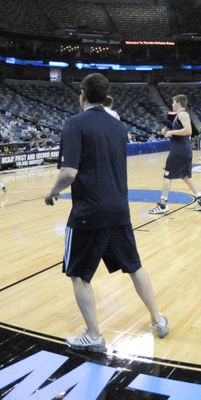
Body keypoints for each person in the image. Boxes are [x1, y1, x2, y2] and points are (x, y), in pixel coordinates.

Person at [44, 73, 170, 352]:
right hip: (119, 209)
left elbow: (69, 172)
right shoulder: (118, 126)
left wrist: (52, 191)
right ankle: (158, 320)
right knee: (134, 266)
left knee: (79, 275)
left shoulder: (75, 123)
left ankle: (93, 335)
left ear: (82, 94)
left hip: (88, 212)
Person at [149, 95, 201, 214]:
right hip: (183, 149)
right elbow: (180, 133)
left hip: (179, 150)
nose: (172, 104)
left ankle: (163, 204)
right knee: (186, 177)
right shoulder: (178, 116)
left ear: (178, 103)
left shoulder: (183, 114)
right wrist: (167, 133)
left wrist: (171, 132)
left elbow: (188, 131)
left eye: (173, 102)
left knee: (167, 175)